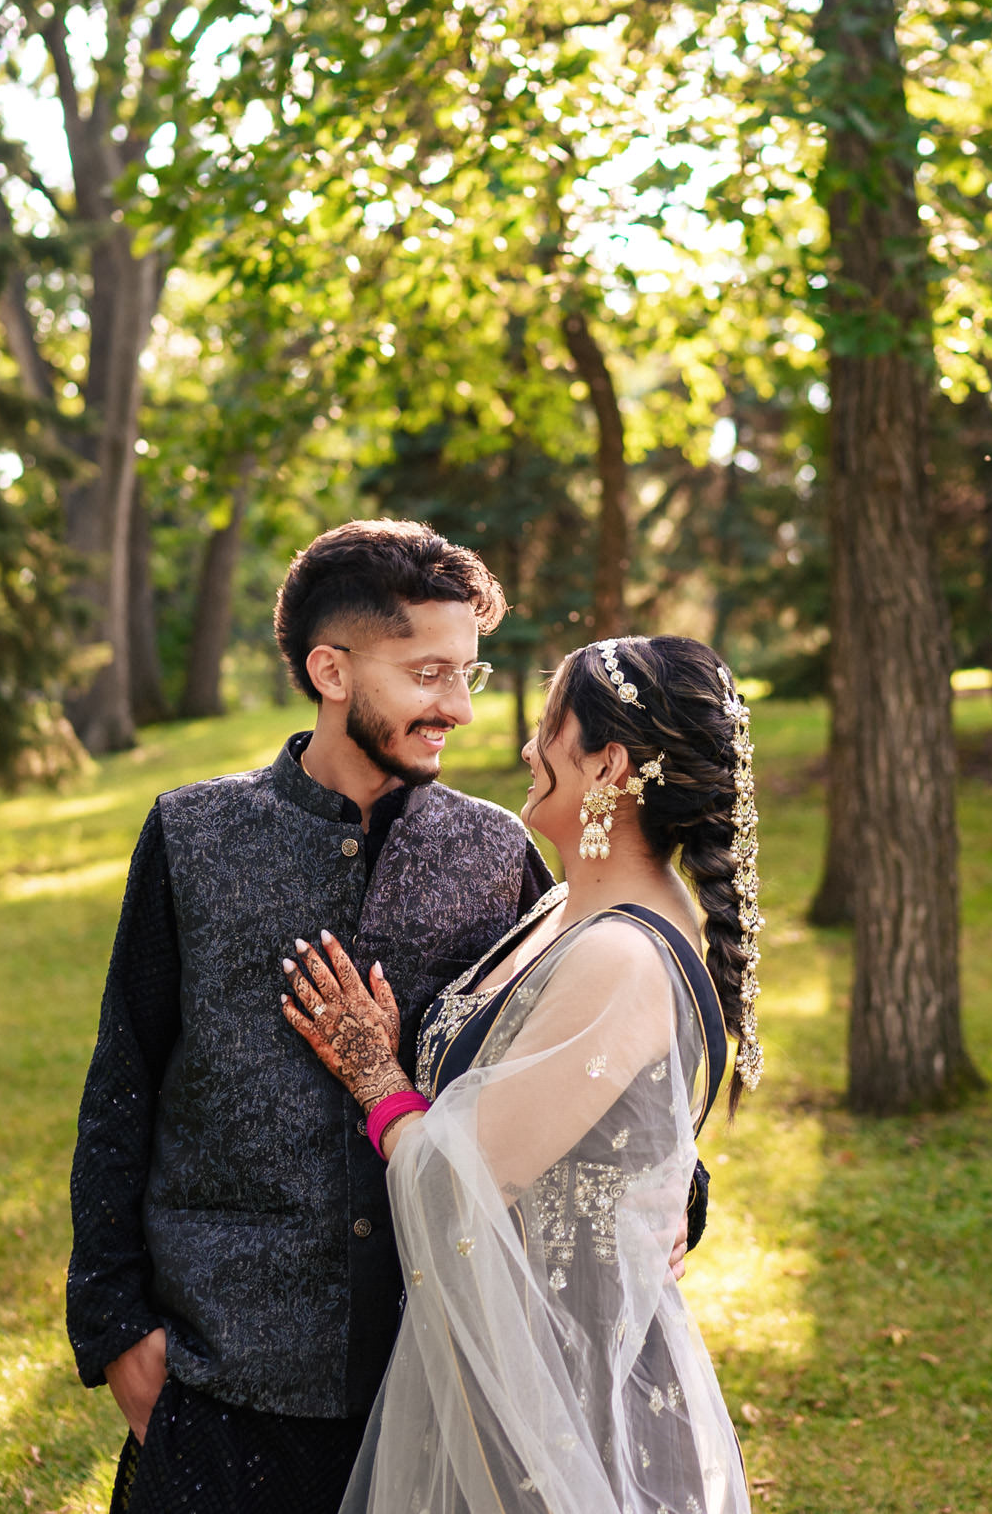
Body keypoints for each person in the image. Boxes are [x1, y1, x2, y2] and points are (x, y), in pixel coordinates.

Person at [65, 520, 554, 1513]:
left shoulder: (497, 858)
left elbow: (569, 1056)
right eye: (427, 673)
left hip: (431, 1378)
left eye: (470, 673)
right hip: (220, 1382)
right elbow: (125, 1080)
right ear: (332, 670)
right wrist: (116, 1328)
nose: (457, 706)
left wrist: (672, 1188)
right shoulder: (191, 835)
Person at [285, 634, 760, 1514]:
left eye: (549, 727)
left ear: (607, 764)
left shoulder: (622, 953)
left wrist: (376, 1079)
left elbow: (456, 1181)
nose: (528, 748)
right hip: (498, 1360)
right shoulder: (563, 907)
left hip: (557, 1399)